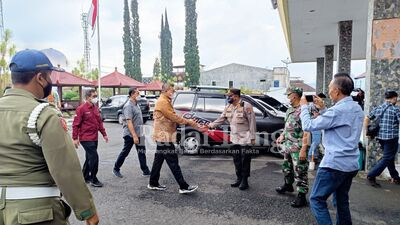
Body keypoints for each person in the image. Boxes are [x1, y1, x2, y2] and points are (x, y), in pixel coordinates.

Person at [0, 49, 99, 225]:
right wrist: (87, 211)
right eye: (49, 76)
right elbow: (65, 169)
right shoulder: (43, 114)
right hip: (36, 213)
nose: (50, 82)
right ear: (40, 78)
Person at [300, 73, 364, 225]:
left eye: (330, 88)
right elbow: (335, 122)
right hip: (351, 164)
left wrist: (303, 107)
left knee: (316, 199)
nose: (328, 92)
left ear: (337, 91)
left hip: (334, 165)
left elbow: (308, 125)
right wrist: (323, 109)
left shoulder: (337, 111)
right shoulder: (356, 108)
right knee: (341, 201)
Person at [148, 83, 200, 194]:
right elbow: (173, 117)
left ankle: (153, 183)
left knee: (158, 161)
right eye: (172, 91)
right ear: (165, 91)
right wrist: (189, 122)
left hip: (162, 136)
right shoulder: (163, 102)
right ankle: (183, 186)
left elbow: (172, 116)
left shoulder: (165, 101)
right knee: (173, 161)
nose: (173, 93)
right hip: (164, 137)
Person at [208, 88, 256, 190]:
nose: (228, 97)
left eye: (229, 96)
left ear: (236, 96)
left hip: (245, 138)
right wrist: (211, 125)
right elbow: (221, 119)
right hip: (234, 138)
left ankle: (245, 180)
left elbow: (252, 122)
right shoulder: (229, 107)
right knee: (236, 159)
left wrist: (252, 137)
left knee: (245, 159)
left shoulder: (246, 106)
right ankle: (239, 178)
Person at [275, 87, 310, 208]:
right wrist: (282, 135)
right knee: (287, 167)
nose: (287, 97)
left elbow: (307, 132)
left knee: (300, 171)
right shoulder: (290, 109)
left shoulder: (304, 111)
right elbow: (287, 125)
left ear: (294, 96)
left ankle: (301, 196)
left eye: (288, 95)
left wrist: (304, 149)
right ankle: (288, 185)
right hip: (288, 145)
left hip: (299, 146)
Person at [73, 89, 109, 188]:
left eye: (96, 96)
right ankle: (93, 179)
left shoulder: (95, 108)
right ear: (88, 97)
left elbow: (99, 122)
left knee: (89, 157)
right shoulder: (81, 109)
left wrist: (104, 134)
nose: (96, 98)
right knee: (94, 157)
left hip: (94, 137)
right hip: (85, 138)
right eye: (94, 96)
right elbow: (75, 125)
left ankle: (85, 176)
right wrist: (75, 138)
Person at [113, 87, 151, 178]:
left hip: (139, 133)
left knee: (142, 151)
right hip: (130, 134)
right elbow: (129, 122)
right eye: (137, 93)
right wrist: (134, 136)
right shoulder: (128, 106)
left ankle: (145, 170)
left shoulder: (136, 104)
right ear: (132, 94)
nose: (139, 94)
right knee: (125, 152)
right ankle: (116, 168)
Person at [365, 90, 400, 186]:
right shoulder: (395, 109)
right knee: (387, 158)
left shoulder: (378, 108)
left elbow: (367, 118)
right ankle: (371, 175)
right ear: (394, 98)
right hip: (391, 138)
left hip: (380, 137)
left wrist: (367, 131)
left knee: (389, 157)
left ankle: (395, 177)